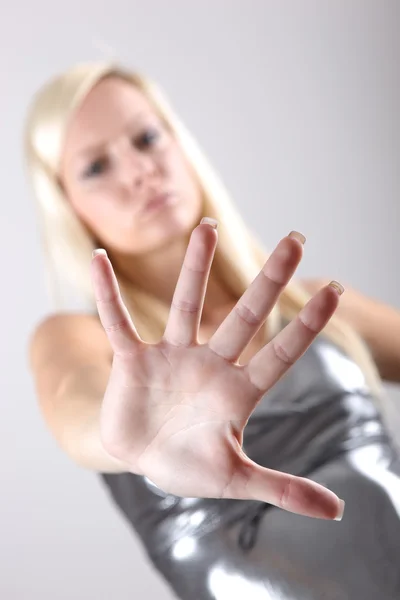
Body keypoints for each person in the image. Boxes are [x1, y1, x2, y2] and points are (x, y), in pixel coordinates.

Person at [25, 62, 400, 600]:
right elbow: (74, 402)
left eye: (147, 138)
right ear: (66, 202)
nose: (138, 171)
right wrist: (124, 436)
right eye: (96, 166)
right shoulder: (76, 339)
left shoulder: (318, 309)